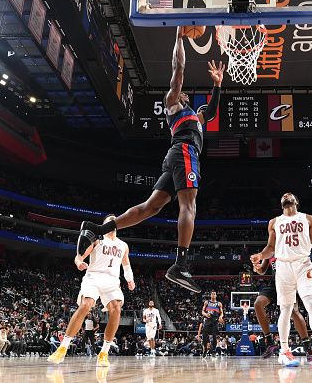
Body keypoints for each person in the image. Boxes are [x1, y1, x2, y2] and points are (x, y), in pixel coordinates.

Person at [73, 28, 225, 294]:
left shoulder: (196, 118)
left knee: (150, 207)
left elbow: (210, 113)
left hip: (177, 156)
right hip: (184, 153)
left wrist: (217, 85)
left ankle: (99, 228)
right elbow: (178, 71)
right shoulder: (174, 103)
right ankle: (180, 264)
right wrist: (178, 39)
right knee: (189, 206)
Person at [250, 192, 312, 367]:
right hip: (283, 266)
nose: (286, 195)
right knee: (286, 309)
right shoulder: (274, 222)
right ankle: (284, 352)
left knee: (310, 303)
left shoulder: (308, 218)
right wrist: (259, 255)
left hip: (303, 264)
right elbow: (271, 248)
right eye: (283, 196)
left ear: (296, 201)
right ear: (281, 204)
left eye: (290, 195)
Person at [48, 214, 136, 367]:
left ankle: (104, 352)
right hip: (94, 276)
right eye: (109, 219)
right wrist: (78, 262)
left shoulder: (123, 245)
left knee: (116, 308)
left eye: (115, 219)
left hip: (112, 280)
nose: (113, 220)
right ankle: (63, 348)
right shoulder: (97, 238)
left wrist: (130, 280)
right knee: (86, 305)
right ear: (104, 224)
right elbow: (80, 256)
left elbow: (126, 265)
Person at [253, 256, 312, 361]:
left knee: (294, 312)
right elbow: (262, 270)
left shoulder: (287, 246)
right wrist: (257, 268)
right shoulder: (270, 250)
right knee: (257, 304)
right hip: (274, 283)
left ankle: (308, 347)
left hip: (288, 282)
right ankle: (269, 342)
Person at [201, 291, 224, 357]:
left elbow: (222, 313)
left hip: (215, 320)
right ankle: (205, 349)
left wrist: (220, 317)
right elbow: (202, 311)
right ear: (210, 295)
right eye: (212, 294)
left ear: (216, 295)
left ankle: (213, 350)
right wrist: (205, 314)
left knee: (214, 336)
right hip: (208, 320)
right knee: (204, 336)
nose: (213, 295)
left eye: (214, 294)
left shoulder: (219, 303)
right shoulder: (206, 302)